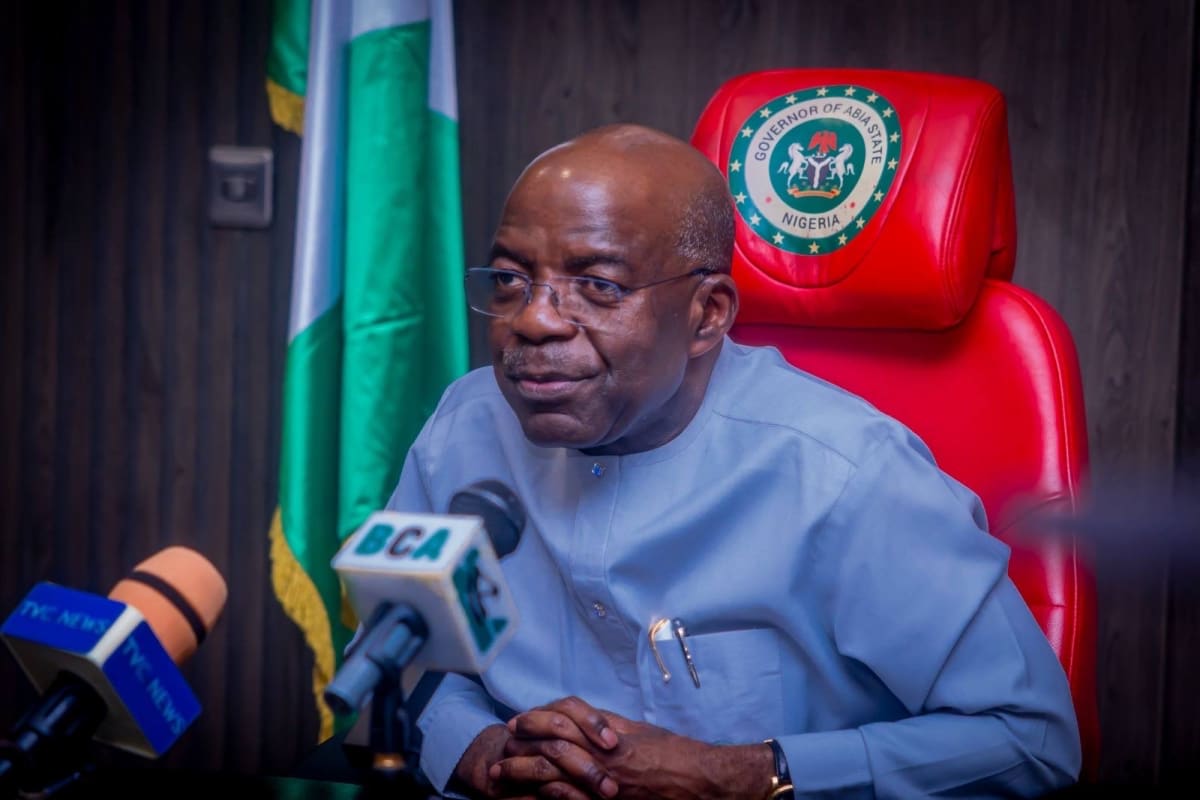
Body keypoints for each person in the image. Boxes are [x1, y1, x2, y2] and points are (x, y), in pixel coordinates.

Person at [385, 124, 1080, 799]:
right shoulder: (465, 428)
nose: (533, 319)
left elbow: (1031, 742)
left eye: (598, 285)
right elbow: (400, 650)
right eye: (510, 279)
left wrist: (736, 776)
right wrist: (478, 751)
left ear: (707, 314)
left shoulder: (846, 473)